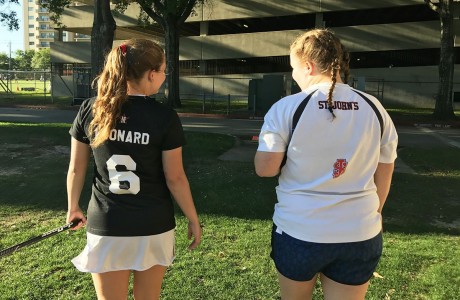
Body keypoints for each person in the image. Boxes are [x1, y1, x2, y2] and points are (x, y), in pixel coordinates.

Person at [254, 28, 398, 300]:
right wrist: (371, 212)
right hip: (360, 232)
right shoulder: (375, 107)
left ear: (307, 66)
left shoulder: (287, 107)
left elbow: (265, 169)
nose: (294, 75)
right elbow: (385, 173)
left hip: (300, 230)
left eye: (294, 68)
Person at [66, 38, 201, 300]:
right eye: (164, 70)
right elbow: (175, 177)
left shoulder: (90, 108)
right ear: (152, 75)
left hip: (107, 222)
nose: (164, 76)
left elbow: (75, 168)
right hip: (153, 224)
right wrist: (193, 218)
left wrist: (73, 207)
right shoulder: (164, 116)